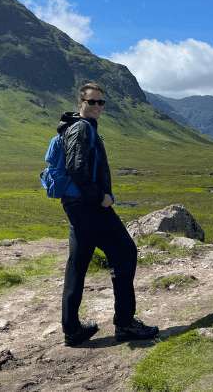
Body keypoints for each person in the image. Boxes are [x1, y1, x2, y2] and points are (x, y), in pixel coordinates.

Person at [57, 82, 159, 346]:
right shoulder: (81, 129)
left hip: (77, 208)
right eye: (92, 102)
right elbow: (76, 168)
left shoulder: (77, 127)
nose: (97, 107)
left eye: (101, 102)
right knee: (125, 252)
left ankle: (72, 330)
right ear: (81, 102)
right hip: (91, 208)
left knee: (77, 265)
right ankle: (125, 324)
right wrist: (100, 197)